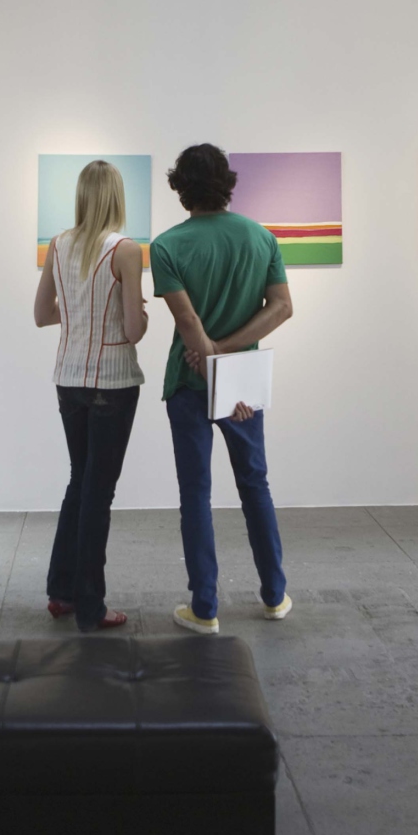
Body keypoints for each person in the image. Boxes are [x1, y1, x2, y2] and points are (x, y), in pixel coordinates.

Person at [150, 144, 295, 635]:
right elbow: (281, 308)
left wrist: (210, 353)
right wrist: (232, 353)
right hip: (243, 389)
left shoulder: (167, 245)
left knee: (196, 493)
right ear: (227, 184)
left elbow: (186, 319)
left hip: (189, 382)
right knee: (255, 484)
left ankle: (205, 607)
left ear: (180, 187)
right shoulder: (261, 237)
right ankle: (274, 596)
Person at [33, 160, 149, 632]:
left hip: (69, 379)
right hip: (112, 383)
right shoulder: (125, 250)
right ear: (116, 197)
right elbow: (134, 331)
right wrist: (137, 311)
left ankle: (62, 592)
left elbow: (42, 314)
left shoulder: (58, 245)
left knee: (79, 482)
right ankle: (91, 605)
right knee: (98, 492)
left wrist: (79, 314)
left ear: (82, 196)